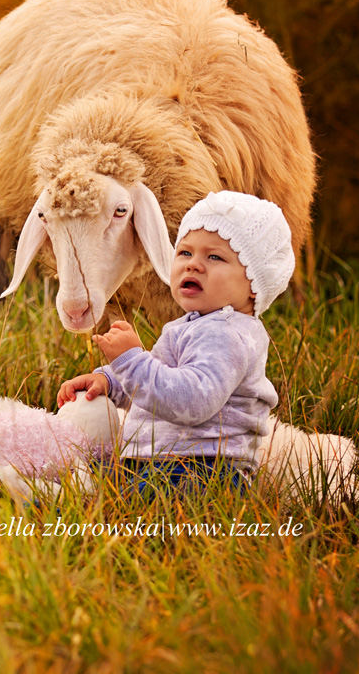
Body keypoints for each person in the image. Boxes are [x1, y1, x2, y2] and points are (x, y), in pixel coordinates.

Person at [57, 190, 296, 495]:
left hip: (204, 471)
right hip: (165, 464)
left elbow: (190, 401)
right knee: (88, 475)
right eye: (185, 253)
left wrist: (131, 360)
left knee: (104, 496)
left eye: (214, 257)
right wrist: (111, 381)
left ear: (255, 283)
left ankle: (59, 508)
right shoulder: (193, 326)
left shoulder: (227, 334)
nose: (193, 265)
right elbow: (159, 386)